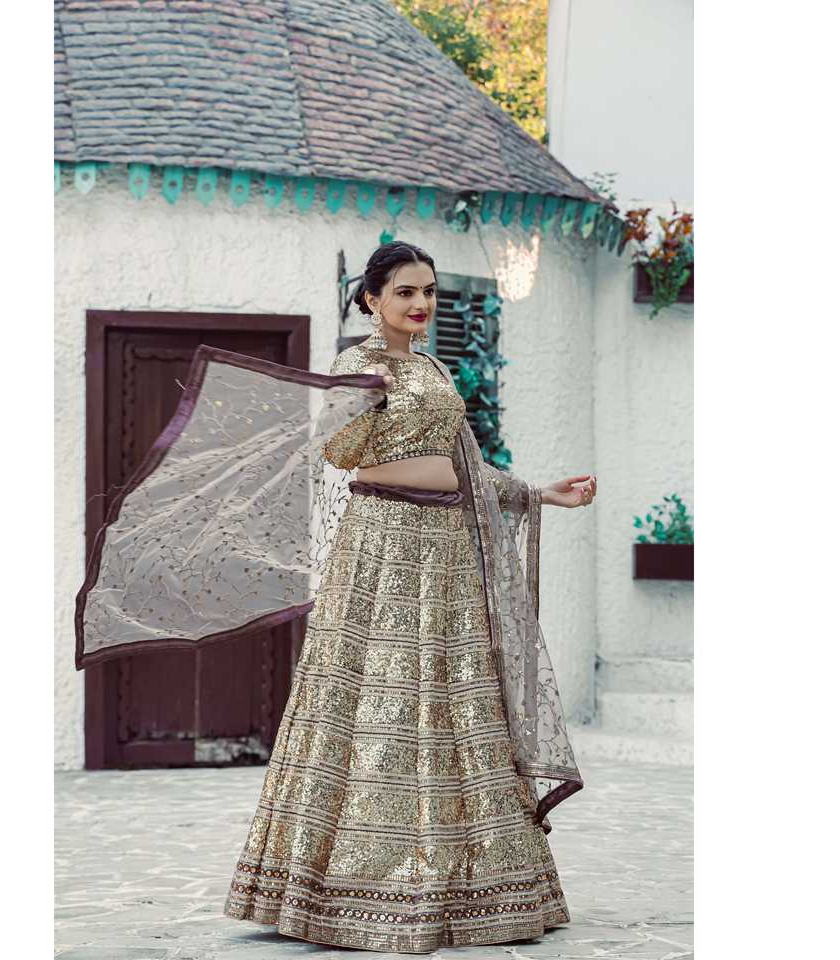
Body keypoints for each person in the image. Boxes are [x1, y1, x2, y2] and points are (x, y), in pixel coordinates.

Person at [222, 241, 597, 953]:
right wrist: (364, 405)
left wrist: (538, 492)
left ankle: (474, 884)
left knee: (456, 696)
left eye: (428, 291)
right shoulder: (355, 367)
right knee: (380, 696)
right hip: (385, 548)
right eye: (405, 292)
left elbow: (465, 465)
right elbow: (339, 455)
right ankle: (354, 886)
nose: (421, 304)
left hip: (447, 553)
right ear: (371, 300)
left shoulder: (431, 367)